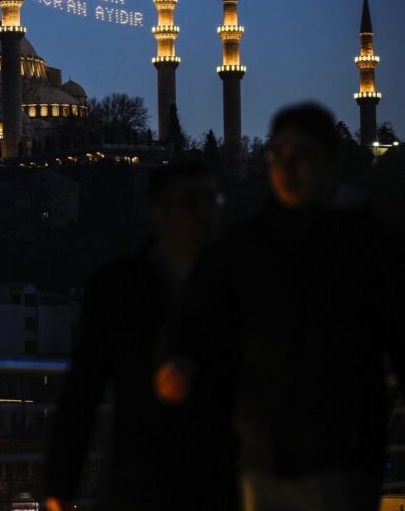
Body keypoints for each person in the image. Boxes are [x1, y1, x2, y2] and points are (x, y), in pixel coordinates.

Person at [156, 103, 404, 511]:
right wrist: (175, 358)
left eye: (301, 157)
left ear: (330, 161)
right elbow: (195, 315)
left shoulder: (368, 245)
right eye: (278, 157)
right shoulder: (248, 244)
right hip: (262, 454)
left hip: (339, 456)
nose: (287, 169)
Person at [44, 161, 238, 511]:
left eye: (212, 199)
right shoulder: (117, 287)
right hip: (143, 472)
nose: (207, 212)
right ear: (160, 212)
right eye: (194, 201)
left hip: (224, 473)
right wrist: (61, 483)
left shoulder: (241, 279)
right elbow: (84, 389)